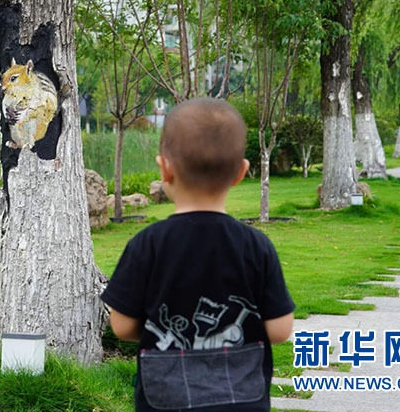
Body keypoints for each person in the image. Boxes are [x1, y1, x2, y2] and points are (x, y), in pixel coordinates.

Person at [101, 97, 295, 411]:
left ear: (164, 169)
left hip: (165, 396)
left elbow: (122, 326)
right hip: (240, 397)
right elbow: (281, 329)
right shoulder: (256, 246)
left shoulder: (146, 244)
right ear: (241, 172)